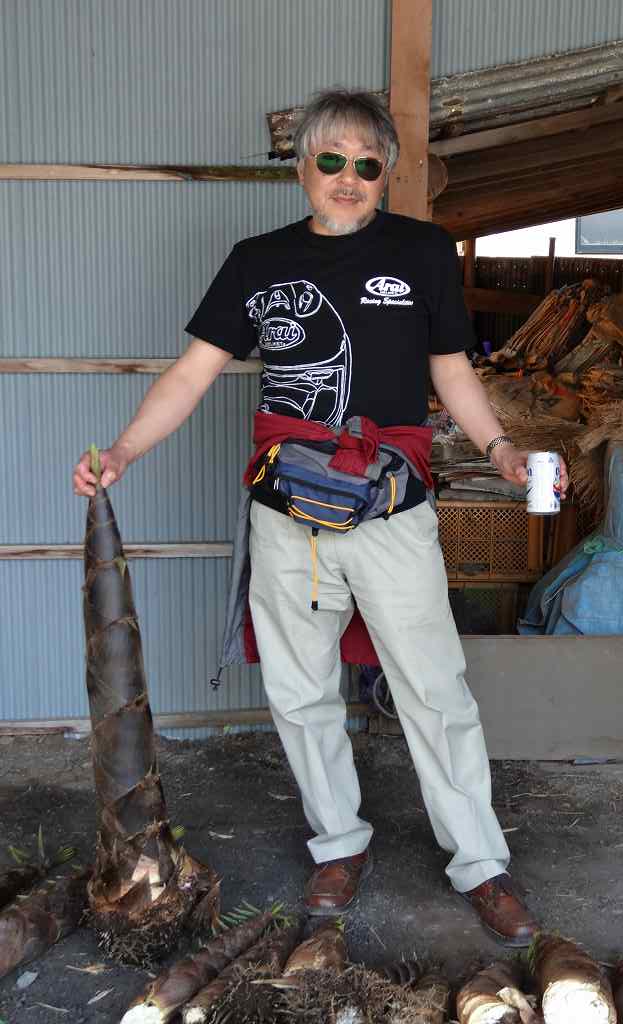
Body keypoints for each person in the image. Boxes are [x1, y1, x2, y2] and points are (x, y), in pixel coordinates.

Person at [73, 88, 568, 946]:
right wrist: (123, 451)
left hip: (391, 506)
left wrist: (499, 449)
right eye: (331, 159)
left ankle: (481, 861)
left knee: (434, 688)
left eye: (367, 164)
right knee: (301, 691)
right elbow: (192, 373)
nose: (348, 177)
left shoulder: (421, 251)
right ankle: (339, 843)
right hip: (288, 512)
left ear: (387, 174)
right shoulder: (257, 260)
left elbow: (451, 370)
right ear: (302, 166)